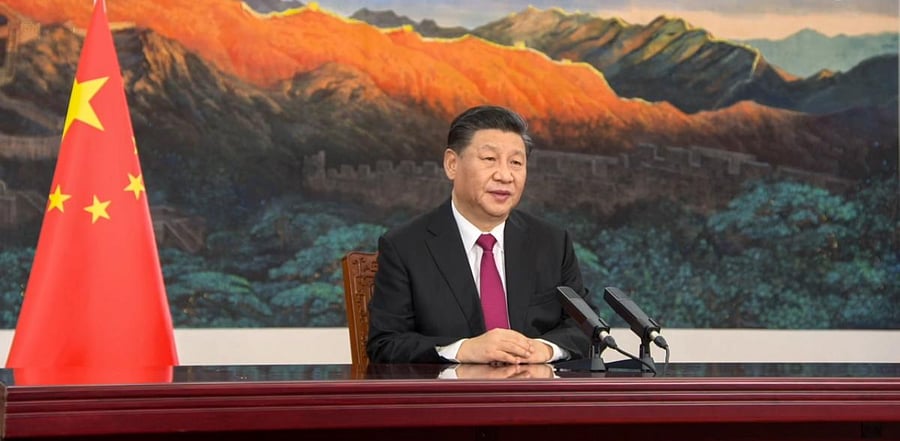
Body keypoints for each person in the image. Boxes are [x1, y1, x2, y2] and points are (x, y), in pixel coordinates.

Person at [366, 105, 591, 364]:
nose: (505, 176)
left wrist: (545, 349)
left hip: (533, 397)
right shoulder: (405, 246)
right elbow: (385, 343)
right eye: (489, 159)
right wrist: (463, 350)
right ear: (452, 164)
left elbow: (584, 327)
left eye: (516, 163)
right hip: (451, 401)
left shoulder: (551, 243)